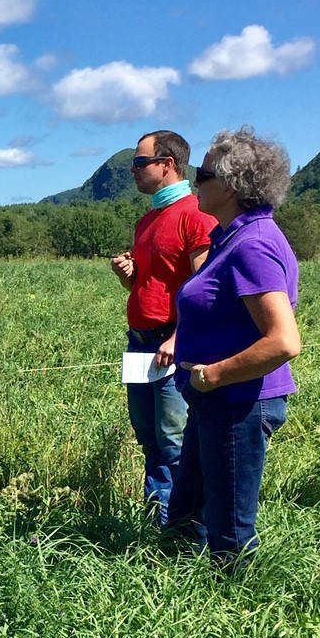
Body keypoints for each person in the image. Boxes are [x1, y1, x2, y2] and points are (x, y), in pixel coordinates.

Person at [168, 127, 301, 569]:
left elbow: (284, 341)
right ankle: (180, 598)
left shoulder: (253, 245)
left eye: (201, 174)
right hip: (215, 400)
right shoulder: (230, 238)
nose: (193, 182)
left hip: (236, 402)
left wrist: (215, 375)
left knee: (229, 532)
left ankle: (236, 610)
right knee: (187, 515)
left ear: (228, 186)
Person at [109, 130, 216, 521]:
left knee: (173, 441)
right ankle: (158, 522)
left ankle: (180, 528)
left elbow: (204, 290)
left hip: (172, 345)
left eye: (139, 163)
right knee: (150, 439)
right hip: (139, 344)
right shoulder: (147, 221)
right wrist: (129, 274)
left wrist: (178, 337)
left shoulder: (195, 215)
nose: (133, 171)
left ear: (167, 165)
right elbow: (149, 282)